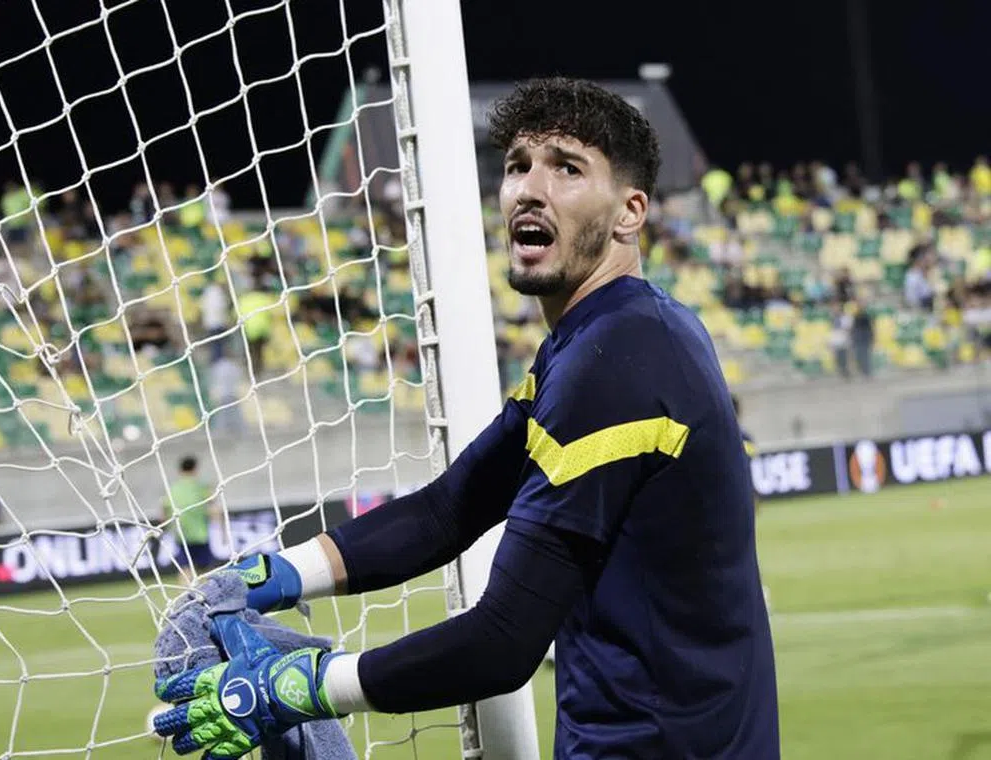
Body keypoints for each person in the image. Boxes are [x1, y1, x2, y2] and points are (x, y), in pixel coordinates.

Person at [151, 77, 780, 759]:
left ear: (630, 212)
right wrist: (269, 576)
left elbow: (503, 642)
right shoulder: (604, 340)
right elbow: (448, 511)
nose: (529, 189)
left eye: (567, 167)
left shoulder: (617, 359)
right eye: (517, 167)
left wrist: (298, 687)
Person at [163, 455, 217, 580]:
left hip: (181, 535)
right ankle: (211, 595)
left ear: (180, 470)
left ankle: (187, 597)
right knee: (206, 570)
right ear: (195, 469)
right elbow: (212, 505)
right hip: (200, 534)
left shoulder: (173, 489)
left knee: (185, 569)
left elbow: (164, 509)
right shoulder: (200, 486)